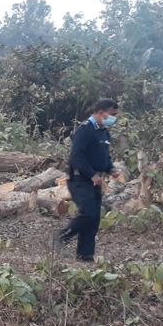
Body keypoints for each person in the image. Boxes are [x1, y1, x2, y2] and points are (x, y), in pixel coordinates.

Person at [54, 98, 122, 262]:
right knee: (87, 213)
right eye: (112, 114)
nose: (114, 118)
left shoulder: (103, 132)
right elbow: (76, 156)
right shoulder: (85, 130)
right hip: (80, 178)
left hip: (95, 179)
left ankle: (85, 255)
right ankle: (61, 238)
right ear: (101, 112)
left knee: (94, 218)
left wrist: (110, 168)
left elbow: (104, 156)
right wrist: (92, 174)